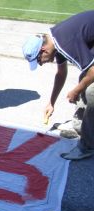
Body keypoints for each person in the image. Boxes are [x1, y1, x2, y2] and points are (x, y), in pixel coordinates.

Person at [22, 10, 94, 160]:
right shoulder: (55, 41)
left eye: (39, 60)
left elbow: (93, 72)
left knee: (91, 92)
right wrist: (51, 103)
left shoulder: (65, 43)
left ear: (43, 50)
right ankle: (81, 125)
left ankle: (87, 146)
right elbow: (61, 73)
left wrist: (75, 91)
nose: (41, 64)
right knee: (84, 79)